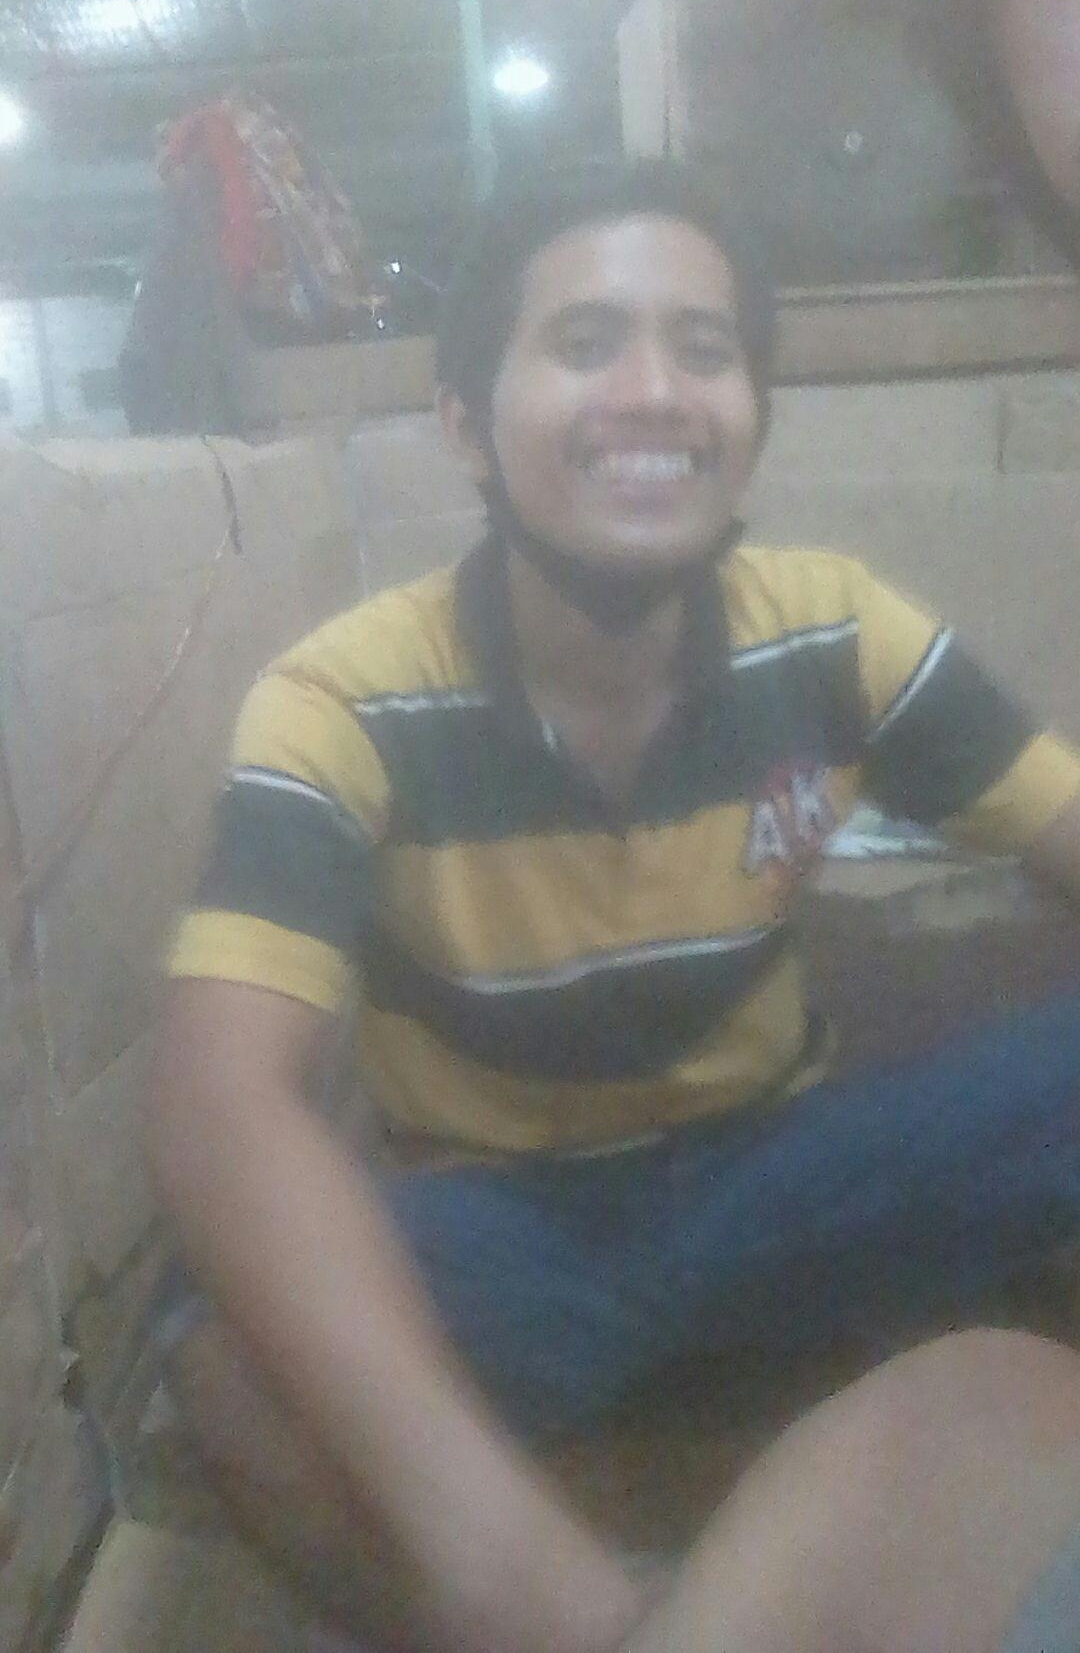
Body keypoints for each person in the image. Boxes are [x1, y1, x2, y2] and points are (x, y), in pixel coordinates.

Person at [150, 158, 1080, 1652]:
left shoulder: (837, 631)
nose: (655, 393)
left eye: (704, 351)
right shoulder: (342, 700)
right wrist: (524, 1578)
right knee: (222, 1354)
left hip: (791, 1177)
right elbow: (218, 1103)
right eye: (586, 344)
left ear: (750, 419)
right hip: (507, 1228)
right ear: (467, 424)